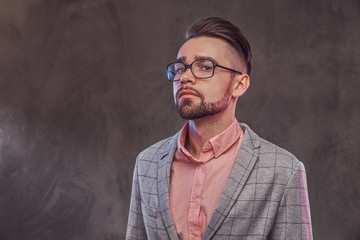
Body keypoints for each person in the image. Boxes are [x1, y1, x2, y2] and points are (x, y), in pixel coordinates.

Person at [126, 17, 312, 240]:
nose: (184, 77)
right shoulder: (147, 162)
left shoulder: (283, 170)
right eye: (179, 68)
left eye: (205, 67)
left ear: (238, 85)